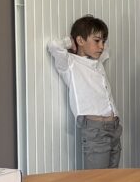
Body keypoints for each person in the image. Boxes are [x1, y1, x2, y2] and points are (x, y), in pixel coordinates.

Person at [48, 14, 120, 169]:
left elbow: (105, 50)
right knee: (98, 179)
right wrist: (71, 42)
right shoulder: (70, 63)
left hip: (114, 127)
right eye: (97, 41)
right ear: (80, 41)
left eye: (103, 41)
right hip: (95, 129)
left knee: (113, 177)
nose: (101, 46)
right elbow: (54, 46)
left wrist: (96, 41)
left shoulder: (98, 61)